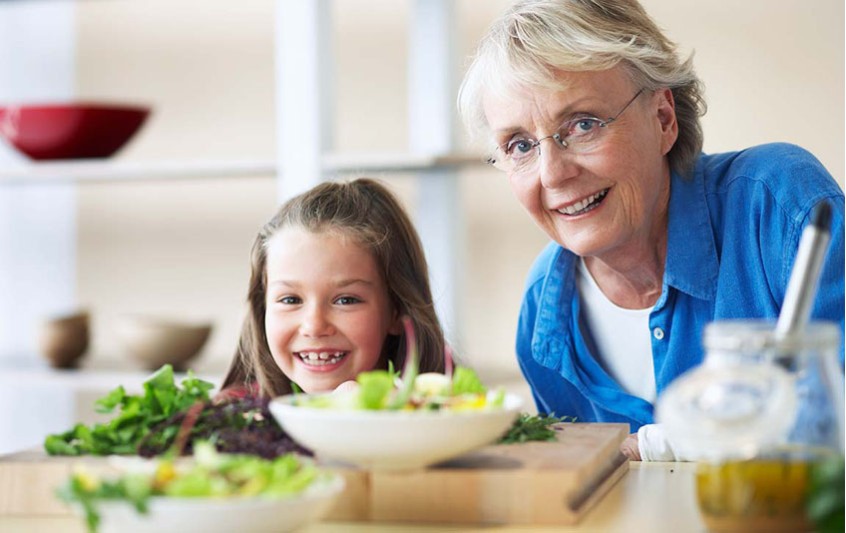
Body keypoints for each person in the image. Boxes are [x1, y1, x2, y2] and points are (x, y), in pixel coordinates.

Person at [457, 0, 844, 461]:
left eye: (582, 125)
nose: (554, 174)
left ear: (663, 119)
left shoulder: (777, 206)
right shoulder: (546, 312)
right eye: (519, 145)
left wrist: (652, 446)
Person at [220, 177, 445, 399]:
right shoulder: (231, 421)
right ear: (263, 308)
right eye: (290, 300)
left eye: (345, 300)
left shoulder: (452, 418)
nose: (314, 326)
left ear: (397, 310)